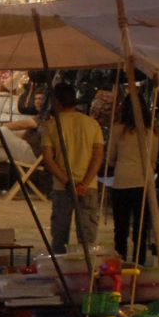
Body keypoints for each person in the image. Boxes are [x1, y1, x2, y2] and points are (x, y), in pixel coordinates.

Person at [44, 81, 105, 254]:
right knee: (87, 240)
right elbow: (98, 156)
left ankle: (61, 274)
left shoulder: (51, 125)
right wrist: (84, 183)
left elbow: (48, 159)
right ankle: (85, 274)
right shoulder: (92, 124)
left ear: (57, 100)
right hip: (88, 187)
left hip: (62, 187)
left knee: (59, 237)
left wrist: (68, 182)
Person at [108, 95, 157, 264]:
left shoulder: (117, 130)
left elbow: (111, 158)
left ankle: (120, 262)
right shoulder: (152, 133)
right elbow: (153, 160)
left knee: (120, 229)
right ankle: (139, 263)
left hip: (121, 180)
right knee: (141, 229)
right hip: (144, 183)